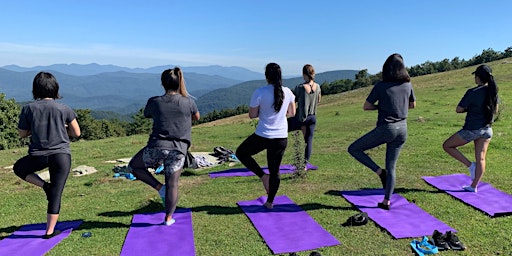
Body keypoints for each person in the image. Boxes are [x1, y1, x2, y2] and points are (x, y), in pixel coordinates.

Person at [127, 67, 200, 225]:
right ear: (180, 81)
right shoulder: (189, 102)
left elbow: (146, 114)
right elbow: (197, 117)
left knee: (134, 166)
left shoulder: (154, 101)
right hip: (179, 150)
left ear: (162, 83)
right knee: (173, 183)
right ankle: (168, 218)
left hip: (156, 147)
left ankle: (160, 188)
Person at [13, 72, 81, 239]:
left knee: (19, 168)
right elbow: (77, 133)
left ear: (35, 89)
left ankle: (45, 186)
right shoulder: (65, 108)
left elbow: (22, 134)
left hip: (38, 155)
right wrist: (62, 127)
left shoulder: (28, 108)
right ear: (55, 88)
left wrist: (34, 129)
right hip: (62, 155)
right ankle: (49, 232)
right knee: (56, 193)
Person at [347, 53, 416, 210]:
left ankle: (379, 172)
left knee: (354, 149)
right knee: (392, 167)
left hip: (387, 128)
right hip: (403, 129)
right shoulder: (408, 85)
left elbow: (367, 106)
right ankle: (387, 201)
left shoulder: (380, 86)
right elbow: (413, 105)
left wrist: (382, 107)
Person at [235, 63, 296, 209]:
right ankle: (270, 202)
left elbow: (252, 115)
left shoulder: (260, 92)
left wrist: (265, 112)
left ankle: (263, 176)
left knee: (241, 153)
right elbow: (292, 113)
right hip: (281, 136)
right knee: (275, 170)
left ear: (266, 76)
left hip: (263, 135)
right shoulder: (288, 92)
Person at [442, 64, 498, 193]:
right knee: (481, 158)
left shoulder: (472, 92)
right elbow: (495, 110)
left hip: (472, 129)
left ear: (478, 78)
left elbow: (459, 109)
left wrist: (470, 109)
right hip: (487, 129)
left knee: (447, 146)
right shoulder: (492, 92)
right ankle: (473, 186)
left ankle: (470, 165)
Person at [287, 64, 321, 169]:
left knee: (282, 129)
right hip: (312, 117)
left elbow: (292, 101)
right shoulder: (318, 86)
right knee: (308, 141)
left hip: (301, 118)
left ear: (304, 74)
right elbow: (319, 100)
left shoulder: (300, 88)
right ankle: (304, 165)